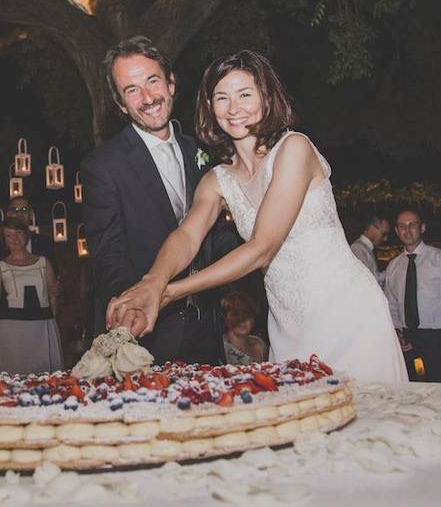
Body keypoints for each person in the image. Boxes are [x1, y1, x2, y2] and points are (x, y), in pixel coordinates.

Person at [107, 49, 407, 382]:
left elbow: (262, 247)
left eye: (244, 94)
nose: (233, 108)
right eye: (221, 97)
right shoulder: (217, 179)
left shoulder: (294, 149)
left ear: (266, 98)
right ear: (209, 106)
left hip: (347, 314)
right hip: (287, 327)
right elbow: (187, 235)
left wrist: (168, 292)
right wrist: (152, 281)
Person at [82, 35, 238, 365]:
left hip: (207, 329)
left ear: (171, 83)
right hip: (148, 335)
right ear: (122, 106)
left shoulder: (201, 151)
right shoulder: (103, 165)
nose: (147, 97)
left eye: (153, 81)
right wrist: (136, 306)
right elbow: (108, 254)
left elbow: (213, 237)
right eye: (132, 90)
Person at [385, 209, 441, 382]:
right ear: (396, 231)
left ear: (422, 228)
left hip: (438, 339)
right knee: (407, 393)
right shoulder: (393, 267)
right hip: (407, 338)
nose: (407, 230)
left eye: (412, 225)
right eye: (402, 226)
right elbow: (392, 305)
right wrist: (397, 332)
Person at [0, 217, 63, 375]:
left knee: (45, 377)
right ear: (4, 240)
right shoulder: (0, 267)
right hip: (10, 332)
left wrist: (51, 327)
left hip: (41, 329)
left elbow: (53, 299)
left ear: (26, 235)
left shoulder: (44, 262)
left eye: (19, 233)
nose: (15, 239)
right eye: (9, 235)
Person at [0, 197, 56, 265]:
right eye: (15, 210)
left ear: (31, 215)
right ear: (8, 214)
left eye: (24, 209)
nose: (19, 213)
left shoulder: (45, 244)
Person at [221, 291, 267, 365]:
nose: (241, 319)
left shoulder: (260, 345)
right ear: (225, 319)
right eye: (235, 314)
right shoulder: (219, 348)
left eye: (246, 313)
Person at [350, 213, 390, 286]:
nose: (385, 239)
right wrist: (392, 272)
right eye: (383, 234)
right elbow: (366, 280)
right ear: (372, 228)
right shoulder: (358, 248)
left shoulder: (365, 248)